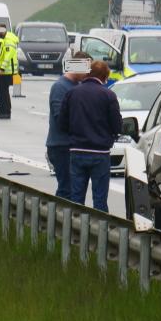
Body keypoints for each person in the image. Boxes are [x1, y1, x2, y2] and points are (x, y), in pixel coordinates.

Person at [58, 60, 122, 211]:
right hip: (100, 153)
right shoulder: (109, 95)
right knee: (99, 199)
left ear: (87, 73)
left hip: (77, 151)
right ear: (105, 77)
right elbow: (117, 126)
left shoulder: (72, 93)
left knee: (76, 199)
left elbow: (62, 123)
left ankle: (74, 230)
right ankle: (99, 231)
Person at [46, 52, 92, 198]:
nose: (88, 74)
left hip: (72, 146)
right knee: (67, 189)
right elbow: (60, 118)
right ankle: (58, 218)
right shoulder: (60, 87)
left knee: (74, 189)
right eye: (86, 69)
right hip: (61, 146)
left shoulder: (77, 86)